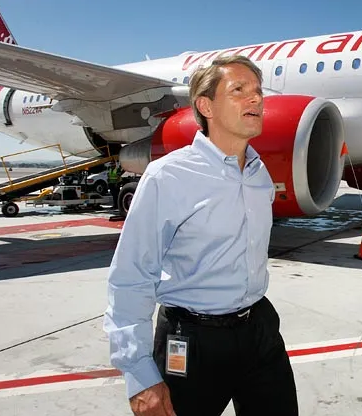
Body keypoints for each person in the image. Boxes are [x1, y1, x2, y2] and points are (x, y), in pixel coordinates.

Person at [103, 55, 298, 416]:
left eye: (258, 90)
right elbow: (131, 276)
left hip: (260, 329)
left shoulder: (259, 174)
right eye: (239, 90)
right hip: (193, 338)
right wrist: (139, 374)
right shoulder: (168, 176)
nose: (256, 98)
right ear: (206, 106)